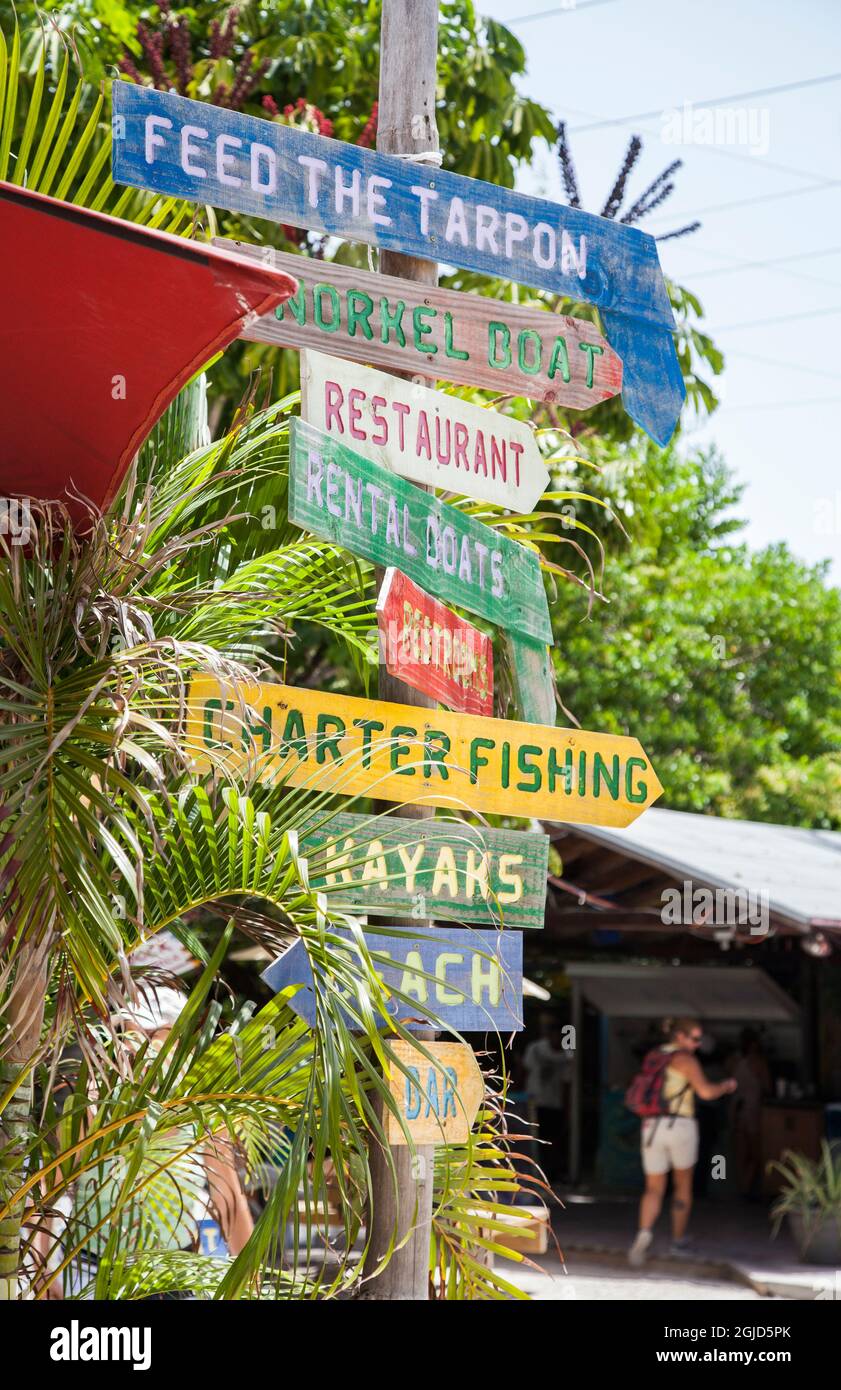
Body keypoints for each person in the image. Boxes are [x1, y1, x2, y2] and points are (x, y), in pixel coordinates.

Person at [628, 1016, 737, 1266]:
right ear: (680, 1037)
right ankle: (677, 1241)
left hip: (651, 1126)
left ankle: (643, 1234)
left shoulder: (655, 1056)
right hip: (680, 1125)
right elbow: (706, 1092)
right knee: (682, 1186)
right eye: (695, 1038)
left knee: (653, 1188)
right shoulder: (685, 1059)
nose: (698, 1044)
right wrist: (726, 1086)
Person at [523, 1013, 573, 1183]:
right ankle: (534, 1173)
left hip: (555, 1104)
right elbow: (523, 1071)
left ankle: (550, 1174)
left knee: (553, 1140)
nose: (557, 1038)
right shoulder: (536, 1049)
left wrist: (567, 1108)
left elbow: (567, 1084)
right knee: (534, 1139)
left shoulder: (567, 1056)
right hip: (534, 1102)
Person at [730, 1028, 772, 1198]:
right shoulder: (759, 1063)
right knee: (755, 1153)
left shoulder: (733, 1060)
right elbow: (768, 1086)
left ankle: (741, 1187)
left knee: (740, 1153)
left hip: (735, 1108)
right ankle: (748, 1188)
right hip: (753, 1109)